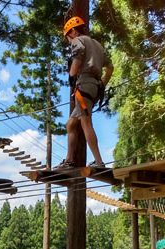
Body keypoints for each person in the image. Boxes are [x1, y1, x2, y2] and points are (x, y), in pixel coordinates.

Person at [55, 16, 114, 169]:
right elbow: (110, 67)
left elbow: (78, 54)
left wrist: (72, 75)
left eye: (68, 36)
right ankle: (69, 160)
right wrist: (102, 83)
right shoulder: (98, 45)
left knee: (86, 122)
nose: (69, 40)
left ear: (73, 31)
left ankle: (99, 162)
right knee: (71, 124)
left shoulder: (77, 41)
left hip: (84, 86)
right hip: (93, 87)